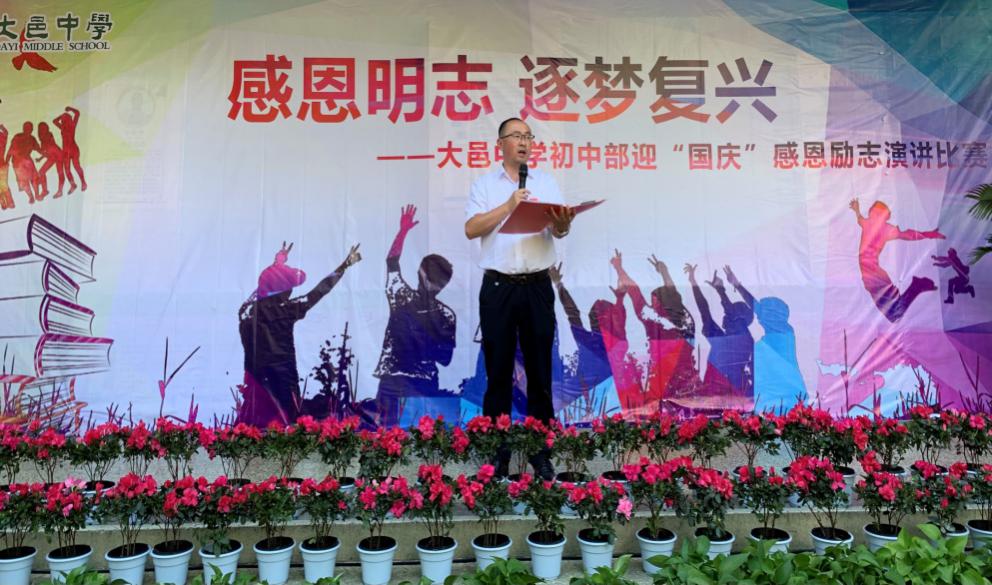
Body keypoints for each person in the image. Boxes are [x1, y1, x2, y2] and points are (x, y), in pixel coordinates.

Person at [464, 117, 574, 480]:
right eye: (517, 136)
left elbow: (559, 229)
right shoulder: (484, 185)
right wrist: (509, 205)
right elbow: (471, 229)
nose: (524, 142)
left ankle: (540, 452)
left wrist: (562, 224)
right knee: (497, 373)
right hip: (499, 288)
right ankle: (497, 453)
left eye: (528, 136)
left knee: (540, 372)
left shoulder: (545, 182)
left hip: (538, 286)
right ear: (501, 144)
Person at [236, 242, 361, 426]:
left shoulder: (246, 312)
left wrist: (276, 266)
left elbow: (259, 291)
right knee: (288, 417)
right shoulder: (288, 309)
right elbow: (319, 291)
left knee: (255, 419)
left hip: (256, 376)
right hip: (283, 375)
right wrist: (344, 266)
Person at [373, 204, 456, 426]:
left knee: (414, 434)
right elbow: (391, 262)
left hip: (418, 382)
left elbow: (446, 358)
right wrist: (402, 231)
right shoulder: (408, 299)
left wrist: (403, 232)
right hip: (397, 380)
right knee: (397, 434)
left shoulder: (441, 313)